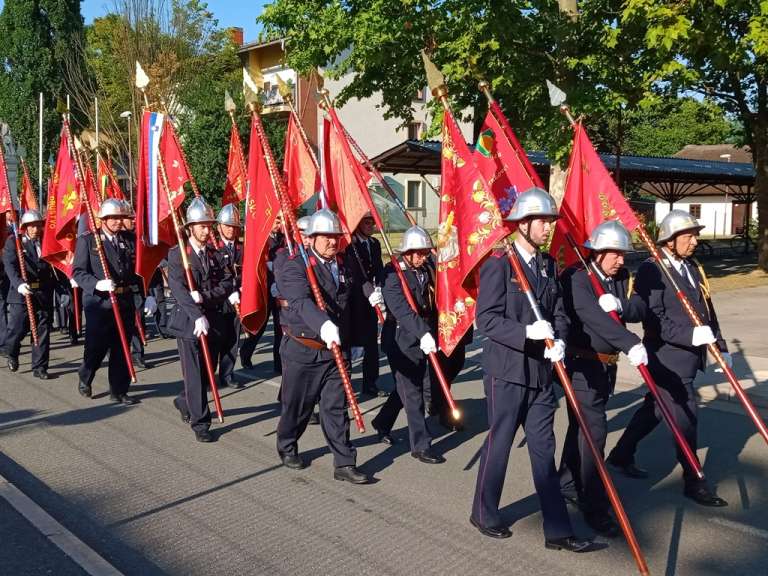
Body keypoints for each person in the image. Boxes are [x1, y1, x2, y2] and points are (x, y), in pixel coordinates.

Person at [470, 188, 591, 552]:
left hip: (540, 374)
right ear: (522, 224)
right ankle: (483, 511)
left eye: (550, 221)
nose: (548, 228)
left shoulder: (547, 265)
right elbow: (486, 320)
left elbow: (558, 313)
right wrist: (526, 331)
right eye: (543, 221)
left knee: (544, 450)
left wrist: (561, 340)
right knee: (501, 444)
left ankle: (557, 529)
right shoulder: (498, 264)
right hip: (506, 371)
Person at [608, 210, 729, 507]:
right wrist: (690, 337)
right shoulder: (653, 269)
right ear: (670, 240)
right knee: (687, 417)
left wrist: (720, 343)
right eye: (689, 236)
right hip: (666, 359)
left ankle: (621, 454)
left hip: (689, 356)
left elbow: (706, 309)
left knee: (655, 410)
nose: (695, 241)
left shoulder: (692, 267)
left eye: (695, 234)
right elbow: (654, 317)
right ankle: (694, 481)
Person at [558, 220, 647, 537]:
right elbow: (591, 317)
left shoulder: (621, 277)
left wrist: (621, 303)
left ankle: (567, 482)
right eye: (616, 254)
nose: (622, 260)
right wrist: (631, 343)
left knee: (579, 430)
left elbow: (639, 307)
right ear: (597, 252)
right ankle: (594, 505)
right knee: (594, 435)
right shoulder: (578, 278)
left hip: (607, 369)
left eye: (623, 254)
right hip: (583, 368)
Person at [275, 209, 370, 484]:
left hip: (335, 350)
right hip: (304, 347)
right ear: (312, 238)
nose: (332, 241)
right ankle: (287, 443)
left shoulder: (341, 263)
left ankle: (344, 461)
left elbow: (355, 290)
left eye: (335, 237)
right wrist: (323, 324)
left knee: (335, 407)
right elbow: (300, 301)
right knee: (298, 406)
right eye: (326, 237)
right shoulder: (294, 265)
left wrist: (374, 297)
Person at [370, 226, 444, 464]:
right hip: (400, 340)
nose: (423, 256)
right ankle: (421, 445)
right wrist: (423, 333)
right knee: (412, 394)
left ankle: (382, 421)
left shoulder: (426, 268)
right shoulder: (393, 273)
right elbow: (401, 309)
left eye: (425, 252)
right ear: (408, 252)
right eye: (419, 252)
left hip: (422, 336)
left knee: (411, 388)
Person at [167, 198, 235, 443]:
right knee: (195, 374)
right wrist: (196, 315)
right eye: (202, 226)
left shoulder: (217, 255)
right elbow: (177, 289)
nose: (207, 230)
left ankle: (185, 401)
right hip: (188, 323)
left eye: (209, 225)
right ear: (191, 228)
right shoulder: (178, 255)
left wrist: (205, 297)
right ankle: (201, 422)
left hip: (213, 319)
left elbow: (228, 283)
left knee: (208, 373)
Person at [73, 198, 139, 404]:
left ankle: (118, 390)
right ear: (103, 219)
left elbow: (136, 272)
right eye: (114, 218)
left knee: (122, 346)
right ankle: (86, 374)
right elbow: (78, 272)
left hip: (124, 299)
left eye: (121, 218)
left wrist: (144, 296)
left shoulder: (129, 239)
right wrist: (96, 284)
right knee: (97, 346)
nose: (119, 222)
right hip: (99, 303)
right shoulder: (89, 240)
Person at [2, 209, 55, 379]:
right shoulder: (15, 242)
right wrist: (19, 284)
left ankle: (39, 367)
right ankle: (12, 352)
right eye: (31, 226)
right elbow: (9, 266)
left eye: (38, 225)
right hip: (21, 294)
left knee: (42, 330)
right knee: (17, 330)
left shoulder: (46, 242)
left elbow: (53, 266)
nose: (35, 229)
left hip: (43, 293)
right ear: (24, 227)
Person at [344, 213, 387, 397]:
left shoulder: (375, 244)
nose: (371, 226)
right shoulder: (349, 245)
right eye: (367, 222)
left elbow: (378, 268)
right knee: (349, 346)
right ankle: (344, 387)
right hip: (354, 301)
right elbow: (355, 274)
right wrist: (369, 291)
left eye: (372, 223)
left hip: (371, 301)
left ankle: (370, 383)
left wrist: (380, 288)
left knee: (371, 345)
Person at [240, 218, 285, 372]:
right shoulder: (262, 239)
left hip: (279, 291)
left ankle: (278, 364)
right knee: (260, 326)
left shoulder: (283, 239)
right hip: (265, 291)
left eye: (280, 221)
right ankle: (246, 354)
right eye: (277, 221)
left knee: (281, 328)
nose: (279, 225)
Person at [121, 200, 156, 369]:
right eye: (129, 218)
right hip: (119, 291)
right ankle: (121, 353)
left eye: (134, 218)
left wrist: (150, 294)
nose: (133, 221)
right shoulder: (114, 239)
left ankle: (138, 354)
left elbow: (148, 266)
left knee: (138, 321)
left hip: (137, 289)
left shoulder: (137, 239)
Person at [215, 203, 243, 389]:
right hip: (217, 301)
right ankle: (208, 374)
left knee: (233, 339)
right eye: (227, 226)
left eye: (234, 226)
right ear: (219, 227)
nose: (231, 230)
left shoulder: (242, 248)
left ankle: (227, 373)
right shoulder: (213, 247)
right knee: (215, 339)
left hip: (237, 300)